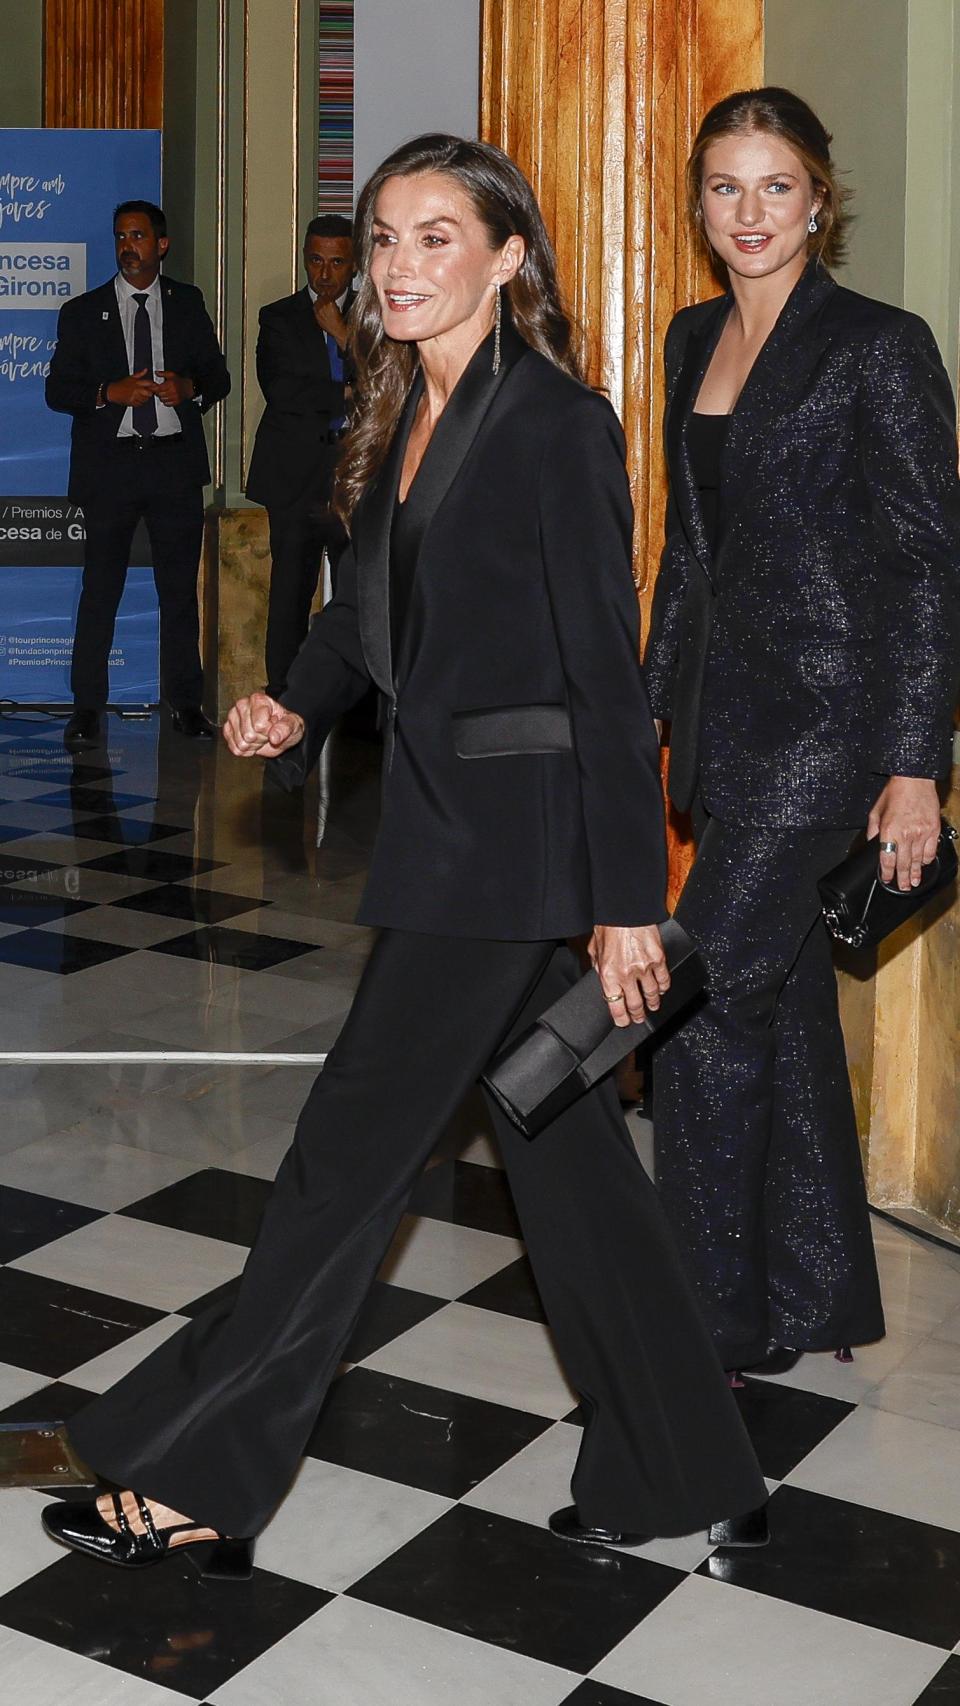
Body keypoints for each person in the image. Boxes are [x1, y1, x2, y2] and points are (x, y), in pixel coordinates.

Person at [40, 135, 768, 1576]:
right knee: (569, 1168)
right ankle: (689, 1460)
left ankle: (203, 1473)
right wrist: (290, 702)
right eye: (384, 238)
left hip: (506, 860)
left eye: (440, 237)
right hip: (450, 835)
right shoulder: (399, 410)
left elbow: (609, 686)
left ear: (510, 258)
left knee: (339, 1170)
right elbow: (363, 613)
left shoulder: (556, 422)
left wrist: (632, 900)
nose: (400, 264)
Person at [646, 87, 960, 1383]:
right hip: (725, 721)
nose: (751, 212)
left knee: (702, 1002)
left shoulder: (879, 346)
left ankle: (697, 1324)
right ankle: (812, 1285)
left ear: (820, 198)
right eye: (727, 187)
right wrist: (653, 710)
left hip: (829, 726)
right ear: (701, 204)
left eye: (777, 186)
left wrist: (915, 763)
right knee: (768, 1011)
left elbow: (931, 562)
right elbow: (691, 554)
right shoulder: (689, 337)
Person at [46, 200, 230, 751]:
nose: (128, 246)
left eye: (139, 237)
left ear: (161, 244)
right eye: (121, 236)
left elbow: (218, 375)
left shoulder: (187, 302)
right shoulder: (83, 311)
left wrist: (188, 388)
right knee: (101, 590)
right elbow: (58, 391)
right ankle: (85, 708)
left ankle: (186, 705)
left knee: (178, 594)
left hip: (173, 465)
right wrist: (109, 393)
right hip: (112, 471)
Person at [246, 214, 356, 698]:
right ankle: (283, 697)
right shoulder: (279, 316)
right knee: (289, 592)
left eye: (336, 263)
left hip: (357, 477)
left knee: (359, 594)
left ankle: (359, 700)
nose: (325, 274)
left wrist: (344, 337)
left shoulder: (379, 317)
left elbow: (396, 383)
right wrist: (350, 393)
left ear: (354, 265)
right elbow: (284, 391)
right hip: (294, 476)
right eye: (316, 260)